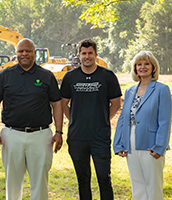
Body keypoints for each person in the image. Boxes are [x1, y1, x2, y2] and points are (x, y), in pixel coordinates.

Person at [0, 38, 63, 200]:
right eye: (21, 51)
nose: (24, 54)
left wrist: (58, 131)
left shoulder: (46, 76)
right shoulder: (5, 76)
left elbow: (57, 104)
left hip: (41, 135)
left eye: (28, 51)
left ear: (34, 53)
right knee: (13, 182)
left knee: (40, 182)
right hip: (11, 135)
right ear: (16, 54)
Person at [60, 38, 121, 200]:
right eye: (84, 53)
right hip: (77, 137)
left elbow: (115, 103)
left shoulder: (107, 76)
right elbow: (63, 103)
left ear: (96, 55)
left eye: (90, 53)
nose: (87, 56)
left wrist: (103, 119)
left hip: (100, 137)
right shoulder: (70, 77)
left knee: (103, 177)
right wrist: (74, 118)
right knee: (83, 179)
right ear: (78, 55)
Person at [113, 50, 171, 200]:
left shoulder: (162, 89)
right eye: (139, 64)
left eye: (146, 64)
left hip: (151, 145)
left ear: (153, 67)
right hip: (130, 143)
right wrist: (118, 144)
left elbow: (165, 121)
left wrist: (160, 147)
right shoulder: (129, 91)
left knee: (153, 188)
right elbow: (123, 119)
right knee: (137, 186)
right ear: (135, 68)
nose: (142, 67)